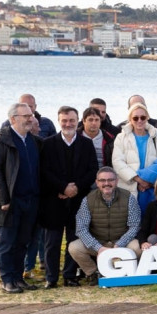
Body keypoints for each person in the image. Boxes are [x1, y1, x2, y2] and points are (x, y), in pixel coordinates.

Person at [37, 106, 98, 288]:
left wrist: (76, 188)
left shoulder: (86, 144)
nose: (68, 124)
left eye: (71, 120)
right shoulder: (48, 144)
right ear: (59, 121)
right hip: (54, 200)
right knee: (52, 242)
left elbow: (92, 170)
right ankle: (51, 277)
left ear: (77, 121)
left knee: (74, 240)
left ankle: (70, 275)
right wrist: (63, 188)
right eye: (64, 120)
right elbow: (44, 171)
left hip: (78, 200)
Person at [0, 102, 43, 293]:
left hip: (31, 200)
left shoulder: (34, 141)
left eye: (31, 115)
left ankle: (18, 278)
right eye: (26, 116)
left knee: (23, 242)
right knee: (7, 243)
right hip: (10, 202)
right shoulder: (1, 141)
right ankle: (7, 280)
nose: (30, 119)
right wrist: (4, 200)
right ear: (13, 119)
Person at [67, 166, 141, 285]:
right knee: (74, 247)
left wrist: (119, 245)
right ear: (97, 182)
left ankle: (125, 271)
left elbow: (135, 226)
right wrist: (99, 248)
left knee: (138, 247)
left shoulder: (128, 197)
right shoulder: (88, 200)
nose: (106, 183)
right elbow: (81, 229)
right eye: (102, 180)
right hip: (99, 242)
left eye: (110, 180)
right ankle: (93, 273)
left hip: (122, 241)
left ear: (116, 181)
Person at [112, 103, 157, 212]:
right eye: (135, 118)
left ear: (147, 118)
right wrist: (138, 179)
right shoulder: (121, 138)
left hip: (152, 188)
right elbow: (117, 162)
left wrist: (152, 183)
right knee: (130, 218)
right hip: (129, 187)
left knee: (151, 218)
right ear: (130, 119)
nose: (139, 120)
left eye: (143, 117)